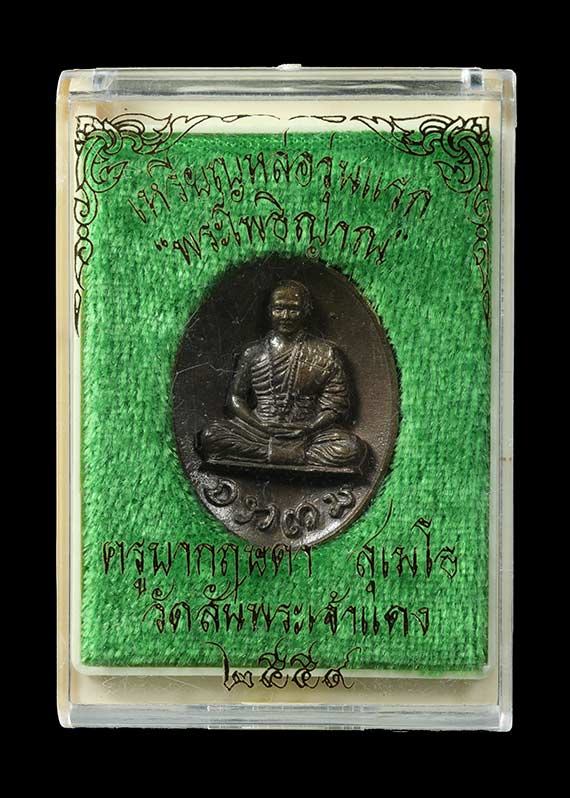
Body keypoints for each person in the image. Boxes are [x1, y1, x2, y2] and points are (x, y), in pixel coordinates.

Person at [197, 280, 367, 470]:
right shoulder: (253, 353)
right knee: (211, 436)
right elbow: (236, 398)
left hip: (307, 433)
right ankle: (293, 456)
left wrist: (309, 427)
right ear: (270, 311)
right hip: (259, 431)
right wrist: (259, 425)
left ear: (306, 311)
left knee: (351, 448)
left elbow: (335, 404)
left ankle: (268, 455)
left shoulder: (324, 353)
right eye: (279, 309)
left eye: (293, 310)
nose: (285, 316)